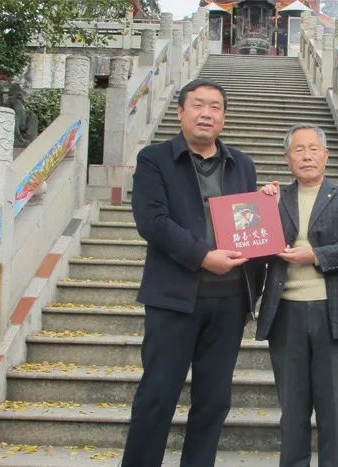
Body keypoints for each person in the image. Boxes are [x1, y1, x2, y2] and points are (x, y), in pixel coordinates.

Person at [121, 79, 263, 467]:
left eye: (215, 107)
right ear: (181, 112)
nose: (206, 113)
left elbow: (249, 225)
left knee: (214, 400)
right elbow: (152, 221)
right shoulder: (155, 159)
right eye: (198, 105)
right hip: (174, 298)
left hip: (230, 300)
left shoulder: (243, 165)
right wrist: (202, 256)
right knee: (157, 396)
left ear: (224, 117)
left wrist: (268, 205)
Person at [258, 123, 338, 467]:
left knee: (334, 410)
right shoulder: (275, 199)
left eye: (313, 149)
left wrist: (316, 256)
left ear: (326, 155)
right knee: (292, 409)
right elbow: (254, 244)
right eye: (298, 149)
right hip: (286, 314)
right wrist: (260, 206)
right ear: (287, 158)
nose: (307, 155)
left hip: (333, 314)